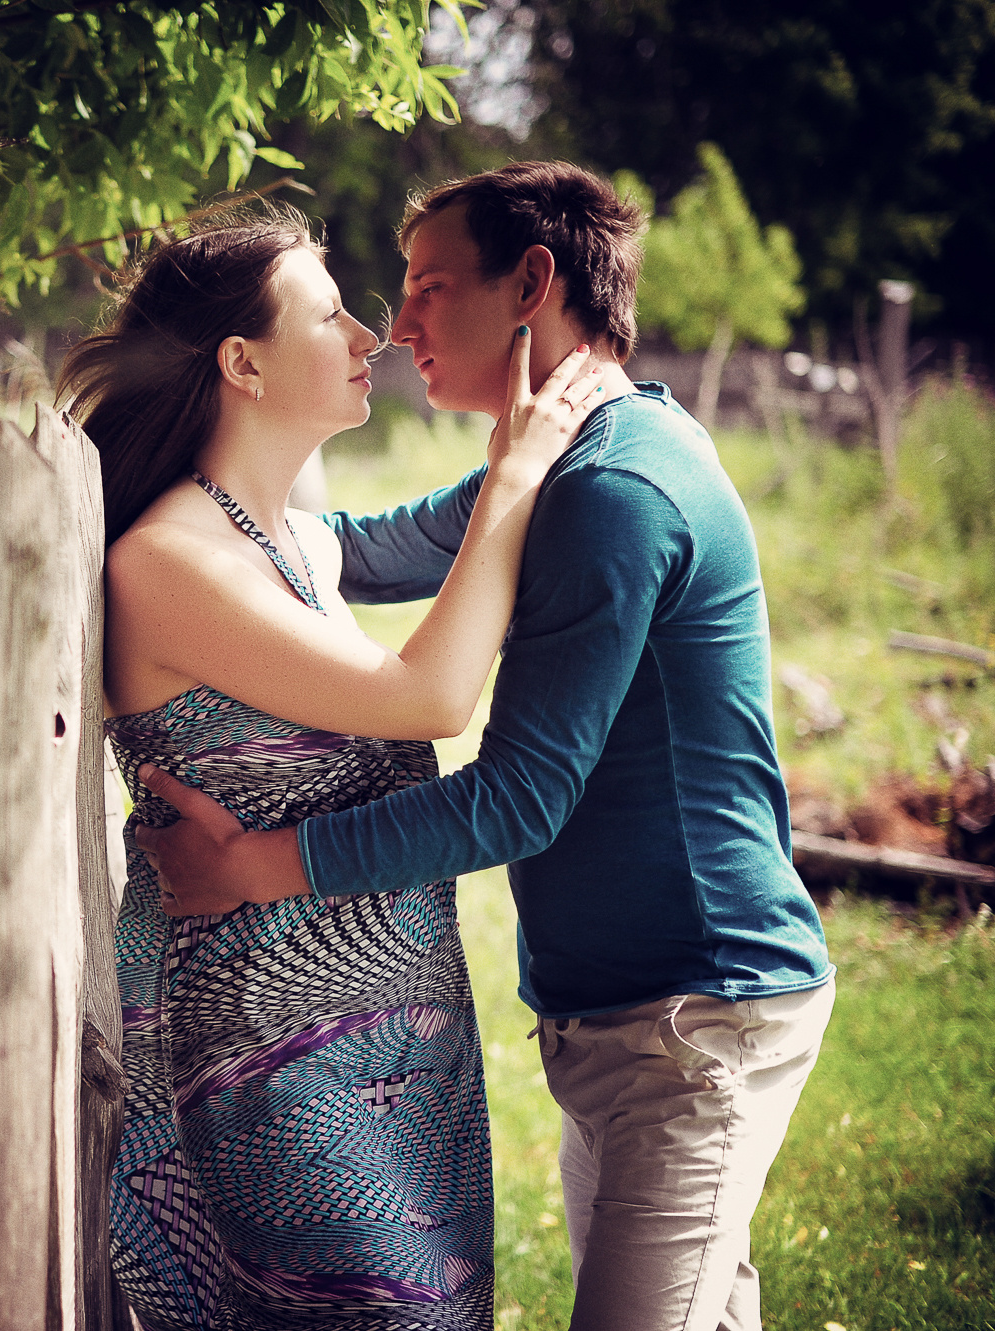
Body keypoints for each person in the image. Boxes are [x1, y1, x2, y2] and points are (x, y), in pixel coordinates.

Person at [135, 164, 835, 1331]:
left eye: (427, 286)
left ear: (532, 283)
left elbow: (517, 799)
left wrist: (261, 864)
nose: (396, 324)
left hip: (693, 1017)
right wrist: (191, 502)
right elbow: (353, 547)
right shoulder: (559, 454)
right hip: (620, 1013)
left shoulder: (614, 485)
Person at [64, 199, 603, 1330]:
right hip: (276, 1056)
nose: (369, 337)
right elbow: (429, 695)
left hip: (410, 1050)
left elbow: (465, 517)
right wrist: (509, 476)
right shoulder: (166, 560)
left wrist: (564, 398)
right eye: (331, 312)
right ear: (242, 361)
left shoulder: (298, 541)